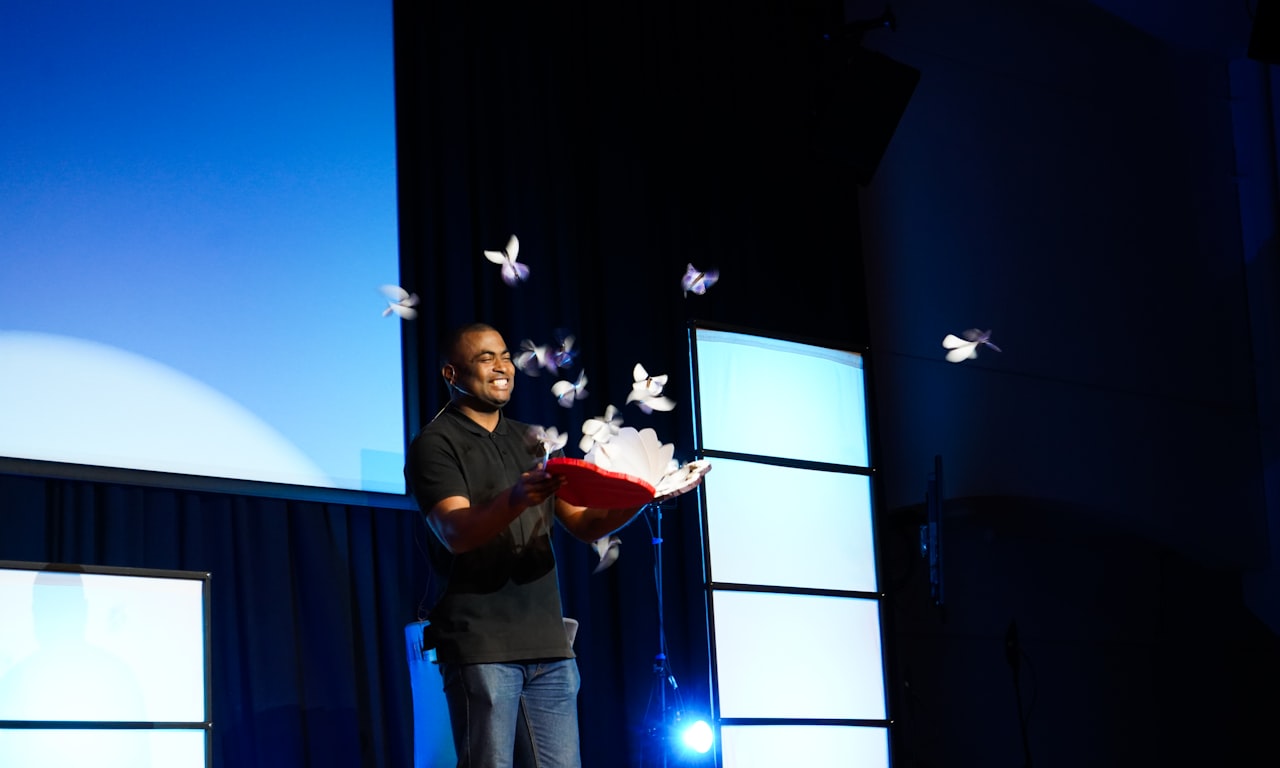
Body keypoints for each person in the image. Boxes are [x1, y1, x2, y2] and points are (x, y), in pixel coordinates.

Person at [405, 322, 654, 768]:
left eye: (504, 355)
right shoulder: (434, 445)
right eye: (485, 358)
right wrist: (517, 498)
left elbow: (583, 525)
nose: (501, 366)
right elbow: (456, 532)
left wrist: (644, 496)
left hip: (549, 646)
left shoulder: (530, 441)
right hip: (482, 646)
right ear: (451, 374)